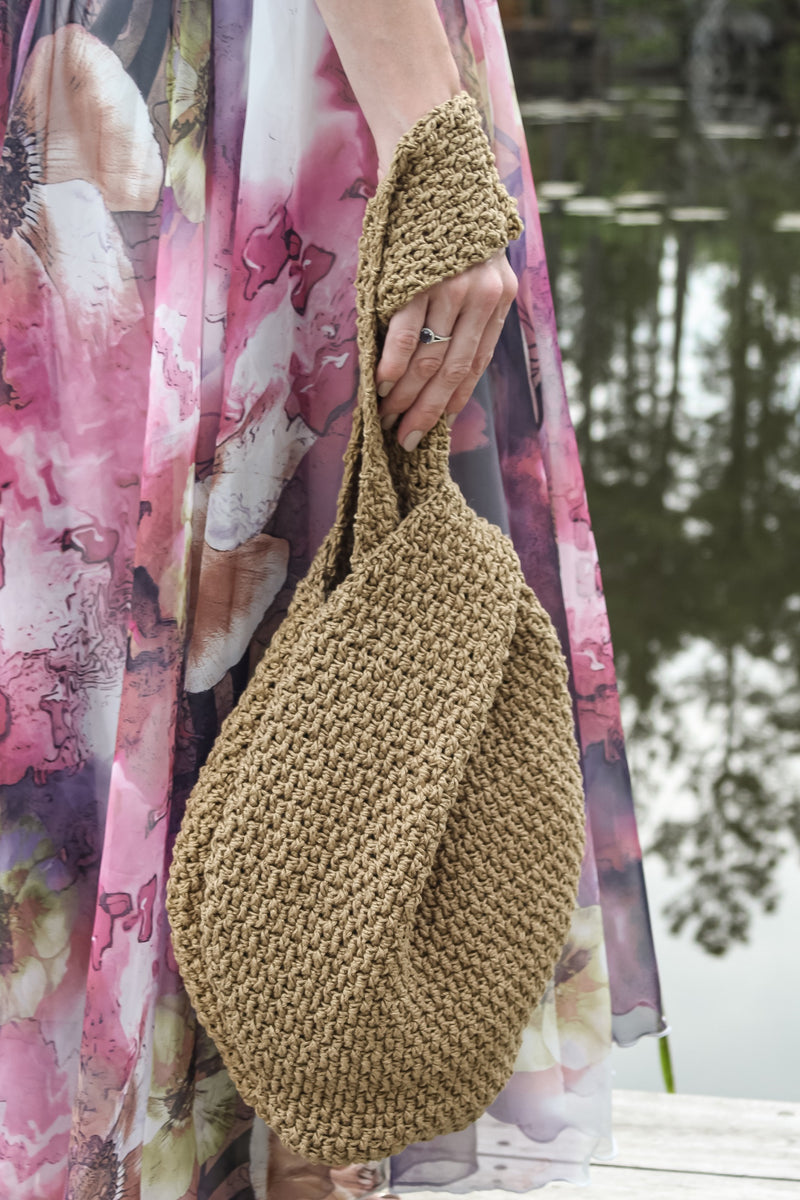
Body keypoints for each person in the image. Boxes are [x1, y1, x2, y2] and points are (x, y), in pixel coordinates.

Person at [0, 2, 665, 1198]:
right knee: (313, 589)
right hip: (278, 94)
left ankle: (217, 1137)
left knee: (163, 632)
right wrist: (434, 152)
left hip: (105, 78)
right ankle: (298, 1147)